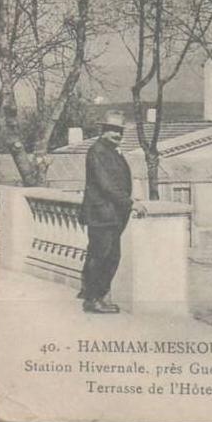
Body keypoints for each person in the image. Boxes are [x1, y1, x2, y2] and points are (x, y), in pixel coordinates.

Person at [78, 111, 145, 314]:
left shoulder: (111, 151)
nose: (118, 134)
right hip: (101, 214)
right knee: (101, 256)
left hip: (111, 214)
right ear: (104, 130)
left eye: (120, 130)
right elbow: (106, 185)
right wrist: (130, 203)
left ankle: (100, 296)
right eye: (113, 130)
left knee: (110, 257)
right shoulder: (98, 151)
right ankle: (92, 300)